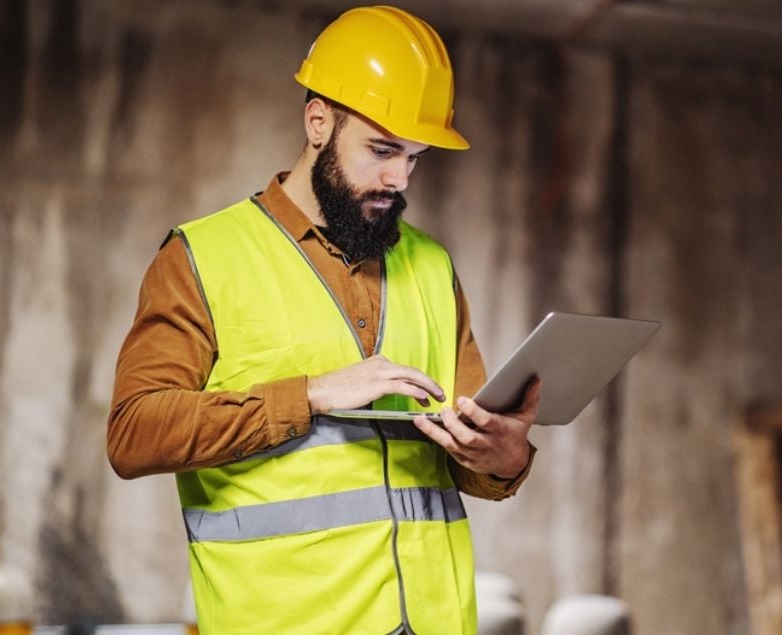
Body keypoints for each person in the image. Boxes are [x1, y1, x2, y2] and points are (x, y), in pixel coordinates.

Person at [107, 6, 538, 634]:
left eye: (414, 157)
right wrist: (312, 394)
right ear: (318, 122)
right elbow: (133, 435)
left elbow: (469, 457)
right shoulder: (204, 257)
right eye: (382, 150)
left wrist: (504, 457)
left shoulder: (433, 266)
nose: (399, 178)